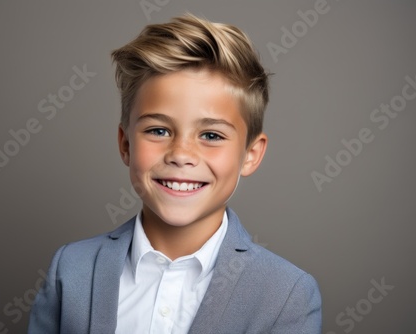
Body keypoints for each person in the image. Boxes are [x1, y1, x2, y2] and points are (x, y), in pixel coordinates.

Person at [28, 13, 322, 334]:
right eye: (158, 130)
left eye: (211, 135)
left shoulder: (286, 294)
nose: (181, 155)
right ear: (125, 144)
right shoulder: (71, 268)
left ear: (250, 155)